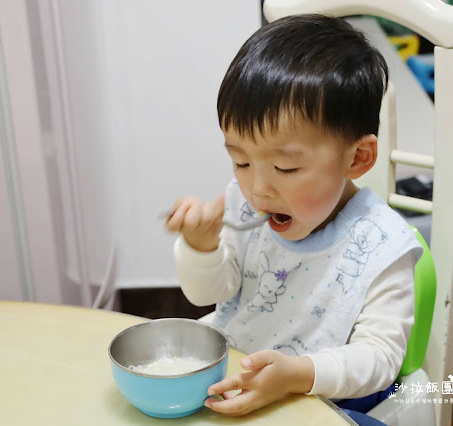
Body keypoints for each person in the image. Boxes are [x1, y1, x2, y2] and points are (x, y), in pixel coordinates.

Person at [164, 14, 422, 416]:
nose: (258, 189)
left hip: (325, 397)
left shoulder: (382, 245)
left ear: (357, 158)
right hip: (236, 376)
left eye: (285, 169)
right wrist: (201, 247)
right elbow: (208, 294)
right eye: (241, 162)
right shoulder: (246, 204)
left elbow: (380, 359)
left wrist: (299, 374)